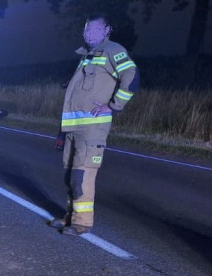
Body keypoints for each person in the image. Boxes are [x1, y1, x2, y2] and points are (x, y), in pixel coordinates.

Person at [51, 15, 138, 236]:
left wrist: (114, 105)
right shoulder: (87, 56)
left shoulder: (112, 50)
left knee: (82, 176)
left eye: (94, 29)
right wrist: (62, 132)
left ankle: (82, 223)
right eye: (86, 28)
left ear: (107, 29)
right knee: (70, 175)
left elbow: (132, 75)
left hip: (92, 128)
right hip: (73, 127)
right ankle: (70, 216)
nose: (88, 33)